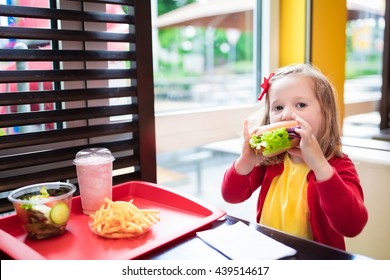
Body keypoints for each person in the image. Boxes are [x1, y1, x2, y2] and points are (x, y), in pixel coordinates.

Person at [221, 63, 368, 250]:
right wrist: (246, 162)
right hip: (270, 253)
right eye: (278, 107)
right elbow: (231, 196)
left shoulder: (338, 166)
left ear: (325, 114)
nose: (286, 115)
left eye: (301, 105)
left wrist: (320, 166)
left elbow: (352, 226)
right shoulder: (271, 160)